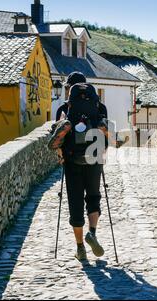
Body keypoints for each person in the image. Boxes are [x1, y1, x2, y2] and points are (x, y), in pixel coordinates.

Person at [56, 72, 109, 261]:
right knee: (94, 197)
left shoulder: (64, 109)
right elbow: (105, 135)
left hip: (72, 160)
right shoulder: (99, 107)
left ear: (69, 88)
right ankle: (92, 233)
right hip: (94, 159)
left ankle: (80, 248)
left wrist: (61, 157)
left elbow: (58, 139)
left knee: (75, 202)